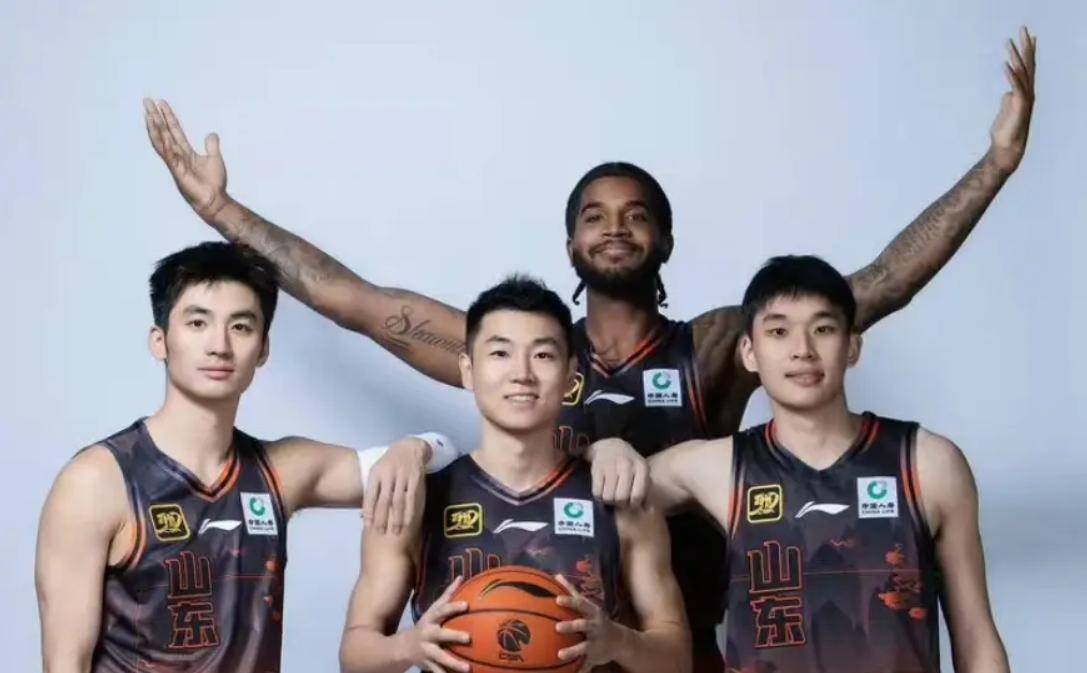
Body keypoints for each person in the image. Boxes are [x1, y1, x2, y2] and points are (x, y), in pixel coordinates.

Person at [142, 26, 1035, 670]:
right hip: (535, 637)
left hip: (688, 638)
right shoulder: (522, 349)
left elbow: (874, 284)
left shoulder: (717, 345)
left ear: (665, 240)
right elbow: (361, 305)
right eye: (595, 216)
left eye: (636, 215)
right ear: (568, 243)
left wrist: (992, 168)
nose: (615, 228)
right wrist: (223, 212)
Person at [35, 242, 451, 673]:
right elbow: (65, 663)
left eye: (240, 327)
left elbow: (446, 456)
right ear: (160, 341)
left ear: (263, 348)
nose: (219, 345)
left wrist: (413, 448)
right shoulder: (98, 481)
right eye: (197, 323)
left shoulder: (282, 470)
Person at [612, 255, 1008, 672]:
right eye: (778, 332)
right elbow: (589, 494)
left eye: (823, 329)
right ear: (749, 352)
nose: (802, 350)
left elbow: (976, 640)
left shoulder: (927, 463)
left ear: (852, 346)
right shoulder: (717, 467)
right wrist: (607, 450)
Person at [339, 277, 690, 673]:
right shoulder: (415, 496)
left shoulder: (620, 500)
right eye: (500, 353)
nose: (521, 373)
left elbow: (677, 658)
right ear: (468, 370)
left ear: (571, 376)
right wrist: (409, 646)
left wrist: (618, 642)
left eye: (542, 355)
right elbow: (355, 655)